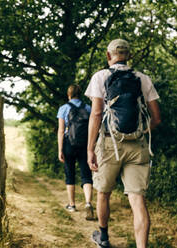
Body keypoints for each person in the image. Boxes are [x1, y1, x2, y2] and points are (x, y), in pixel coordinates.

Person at [85, 39, 161, 248]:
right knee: (138, 200)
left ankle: (103, 237)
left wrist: (90, 148)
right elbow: (156, 118)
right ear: (129, 55)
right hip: (137, 145)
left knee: (103, 192)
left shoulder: (100, 77)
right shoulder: (142, 79)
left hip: (110, 143)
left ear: (108, 56)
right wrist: (143, 132)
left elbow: (97, 113)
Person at [57, 84, 94, 220]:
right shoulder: (88, 108)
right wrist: (92, 146)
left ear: (69, 95)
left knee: (69, 173)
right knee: (86, 174)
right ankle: (88, 203)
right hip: (85, 144)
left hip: (69, 144)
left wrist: (60, 149)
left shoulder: (64, 108)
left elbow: (61, 131)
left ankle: (72, 205)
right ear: (80, 94)